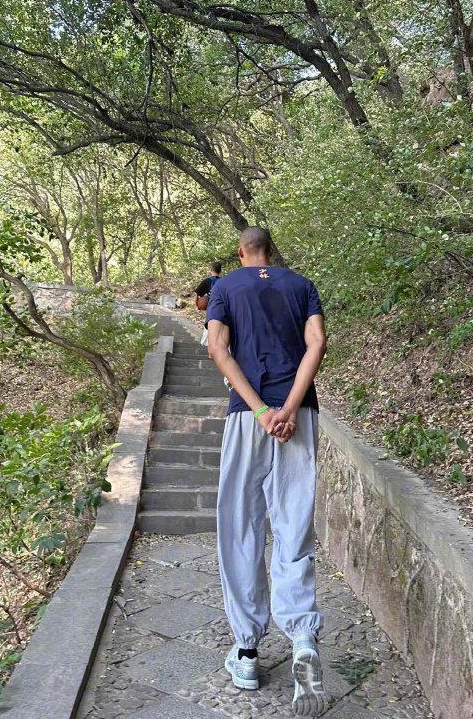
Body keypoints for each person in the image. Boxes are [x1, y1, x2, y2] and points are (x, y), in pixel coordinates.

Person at [206, 226, 328, 717]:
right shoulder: (301, 285)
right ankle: (303, 640)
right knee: (293, 525)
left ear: (241, 252)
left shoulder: (225, 288)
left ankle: (247, 652)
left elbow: (217, 349)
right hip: (300, 417)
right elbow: (316, 343)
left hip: (247, 417)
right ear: (271, 251)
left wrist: (260, 411)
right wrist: (290, 408)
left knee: (240, 526)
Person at [194, 261, 222, 345]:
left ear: (211, 270)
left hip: (211, 310)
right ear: (220, 271)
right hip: (223, 310)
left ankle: (208, 347)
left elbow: (197, 295)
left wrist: (198, 306)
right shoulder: (224, 281)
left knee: (208, 332)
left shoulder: (206, 281)